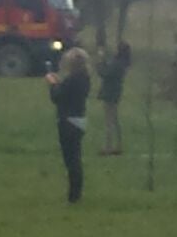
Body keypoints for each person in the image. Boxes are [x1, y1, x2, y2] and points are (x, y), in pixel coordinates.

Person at [46, 47, 91, 203]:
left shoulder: (72, 79)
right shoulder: (85, 78)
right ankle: (76, 194)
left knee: (71, 161)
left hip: (68, 121)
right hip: (80, 120)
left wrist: (52, 84)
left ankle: (74, 196)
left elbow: (58, 97)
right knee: (76, 158)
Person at [95, 42, 132, 156]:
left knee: (109, 121)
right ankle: (118, 145)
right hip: (115, 92)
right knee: (114, 120)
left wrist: (100, 61)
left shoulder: (117, 63)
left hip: (110, 93)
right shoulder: (122, 63)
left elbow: (105, 73)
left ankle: (108, 147)